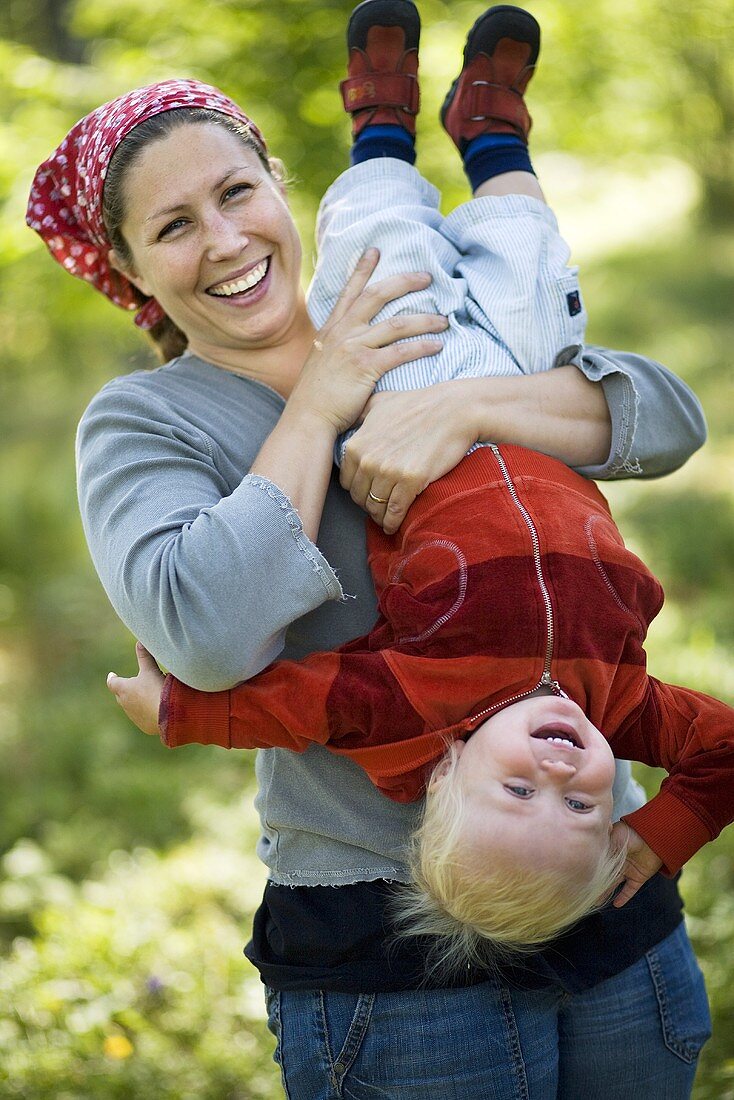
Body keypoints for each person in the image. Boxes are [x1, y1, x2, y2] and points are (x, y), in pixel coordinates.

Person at [28, 2, 712, 1096]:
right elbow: (202, 634)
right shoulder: (147, 420)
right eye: (173, 226)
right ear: (127, 264)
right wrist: (323, 400)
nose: (224, 241)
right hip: (387, 957)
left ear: (277, 184)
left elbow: (665, 416)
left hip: (599, 893)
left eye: (235, 192)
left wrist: (462, 405)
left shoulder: (400, 298)